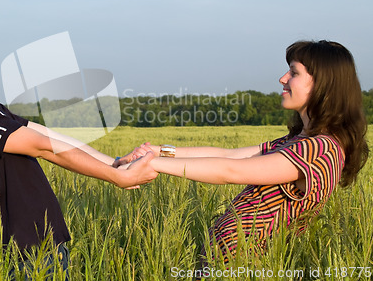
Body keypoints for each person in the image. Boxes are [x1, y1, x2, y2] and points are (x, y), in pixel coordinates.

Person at [0, 0, 158, 279]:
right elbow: (43, 146)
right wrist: (116, 177)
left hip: (42, 249)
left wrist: (115, 163)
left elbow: (46, 134)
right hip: (21, 257)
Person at [115, 40, 369, 264]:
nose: (282, 79)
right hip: (229, 263)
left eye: (293, 73)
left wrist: (154, 163)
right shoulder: (300, 141)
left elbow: (231, 170)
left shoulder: (319, 148)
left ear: (323, 84)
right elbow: (229, 155)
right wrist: (158, 150)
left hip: (243, 265)